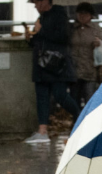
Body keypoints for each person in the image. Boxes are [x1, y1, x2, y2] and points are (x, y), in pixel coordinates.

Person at [25, 0, 81, 144]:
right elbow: (38, 40)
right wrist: (30, 37)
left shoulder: (59, 15)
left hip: (56, 64)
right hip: (41, 64)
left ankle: (80, 117)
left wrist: (40, 31)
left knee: (60, 94)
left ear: (45, 2)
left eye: (37, 3)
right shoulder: (41, 18)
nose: (35, 6)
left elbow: (62, 37)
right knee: (42, 97)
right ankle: (42, 131)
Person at [71, 2, 102, 107]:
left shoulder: (96, 29)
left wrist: (100, 43)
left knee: (90, 101)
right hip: (74, 71)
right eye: (80, 13)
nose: (82, 16)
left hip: (90, 71)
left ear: (91, 15)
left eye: (85, 13)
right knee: (74, 101)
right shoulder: (71, 29)